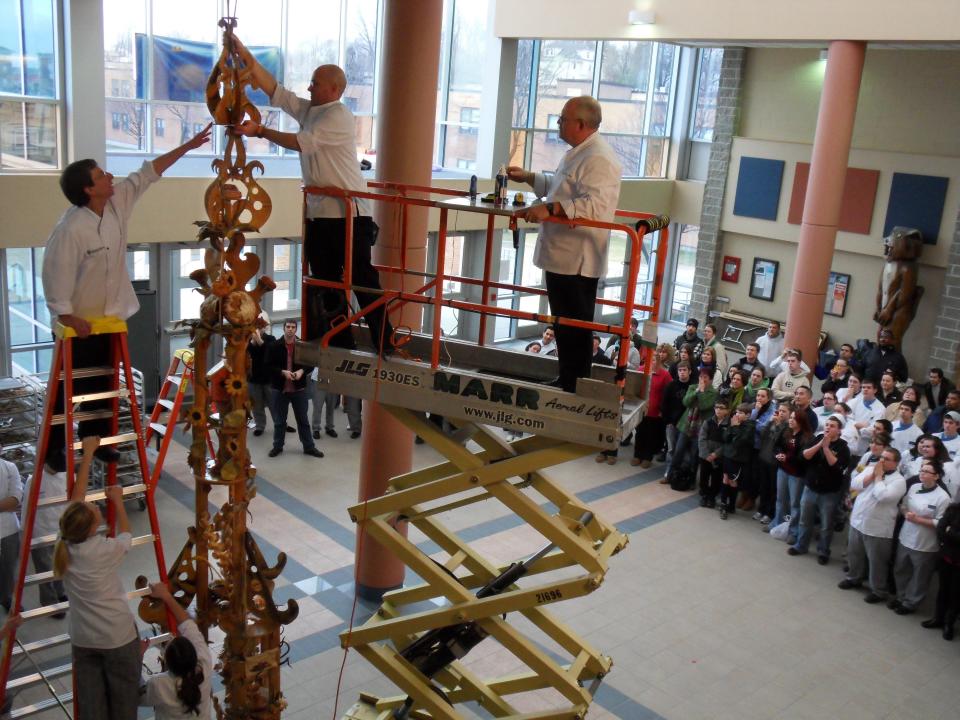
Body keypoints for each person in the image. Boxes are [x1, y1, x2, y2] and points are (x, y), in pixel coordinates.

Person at [42, 124, 212, 464]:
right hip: (78, 322)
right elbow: (54, 272)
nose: (110, 176)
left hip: (110, 318)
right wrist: (66, 315)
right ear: (89, 189)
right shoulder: (71, 229)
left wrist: (189, 145)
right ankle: (56, 450)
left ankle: (100, 442)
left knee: (103, 386)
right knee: (68, 388)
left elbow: (149, 172)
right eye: (101, 175)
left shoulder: (116, 203)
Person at [231, 39, 393, 354]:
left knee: (362, 278)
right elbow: (278, 93)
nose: (308, 87)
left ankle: (384, 340)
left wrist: (260, 132)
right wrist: (245, 55)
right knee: (325, 280)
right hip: (321, 213)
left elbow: (302, 142)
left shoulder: (338, 116)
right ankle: (339, 341)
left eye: (315, 83)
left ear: (333, 89)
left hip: (350, 214)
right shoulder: (313, 111)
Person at [507, 96, 622, 393]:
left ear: (581, 124)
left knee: (575, 327)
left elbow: (595, 206)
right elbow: (563, 187)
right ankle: (567, 377)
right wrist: (531, 178)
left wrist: (551, 209)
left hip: (577, 260)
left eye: (562, 119)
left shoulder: (599, 158)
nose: (558, 123)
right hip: (562, 257)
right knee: (563, 324)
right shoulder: (579, 152)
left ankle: (574, 384)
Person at [54, 436, 140, 720]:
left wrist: (88, 454)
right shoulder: (103, 550)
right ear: (93, 528)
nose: (97, 507)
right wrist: (119, 501)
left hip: (83, 639)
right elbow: (127, 536)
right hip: (117, 636)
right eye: (96, 511)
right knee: (124, 705)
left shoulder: (64, 544)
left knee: (91, 710)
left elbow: (76, 499)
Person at [838, 447, 906, 603]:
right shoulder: (870, 468)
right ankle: (853, 578)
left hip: (878, 529)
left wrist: (878, 477)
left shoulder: (899, 481)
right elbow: (855, 483)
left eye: (887, 459)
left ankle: (878, 590)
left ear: (896, 463)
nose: (882, 461)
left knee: (877, 561)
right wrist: (872, 475)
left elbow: (883, 496)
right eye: (882, 457)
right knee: (854, 554)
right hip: (858, 520)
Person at [139, 582, 212, 719]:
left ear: (166, 661)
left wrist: (138, 658)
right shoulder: (205, 664)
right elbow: (189, 626)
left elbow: (137, 697)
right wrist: (166, 596)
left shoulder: (159, 684)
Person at [788, 415, 851, 564]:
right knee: (805, 520)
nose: (828, 427)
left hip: (829, 493)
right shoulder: (817, 439)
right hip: (810, 488)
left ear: (839, 430)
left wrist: (826, 448)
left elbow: (836, 466)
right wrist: (820, 445)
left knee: (826, 524)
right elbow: (804, 456)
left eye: (832, 426)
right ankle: (801, 545)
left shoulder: (843, 448)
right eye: (827, 424)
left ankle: (823, 551)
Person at [892, 460, 952, 616]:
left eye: (927, 471)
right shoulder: (913, 487)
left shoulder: (943, 497)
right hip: (906, 537)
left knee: (920, 576)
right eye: (921, 470)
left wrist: (919, 520)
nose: (922, 474)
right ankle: (901, 596)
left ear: (937, 476)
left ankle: (911, 602)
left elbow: (941, 522)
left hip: (925, 543)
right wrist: (906, 514)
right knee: (901, 569)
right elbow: (903, 506)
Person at [266, 319, 323, 458]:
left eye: (293, 327)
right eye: (288, 327)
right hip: (280, 390)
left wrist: (302, 372)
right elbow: (267, 366)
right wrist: (282, 372)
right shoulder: (274, 346)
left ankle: (309, 447)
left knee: (303, 420)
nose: (290, 329)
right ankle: (277, 446)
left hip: (299, 390)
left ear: (296, 329)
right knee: (280, 421)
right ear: (284, 328)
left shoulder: (303, 346)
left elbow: (311, 363)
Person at [21, 450, 68, 614]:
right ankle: (50, 603)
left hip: (61, 531)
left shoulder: (66, 476)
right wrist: (26, 535)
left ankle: (61, 593)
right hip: (39, 533)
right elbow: (26, 509)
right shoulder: (34, 480)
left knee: (61, 566)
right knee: (46, 571)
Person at [772, 407, 813, 540]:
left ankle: (793, 531)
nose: (791, 420)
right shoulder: (786, 431)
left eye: (794, 419)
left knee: (795, 503)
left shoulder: (807, 437)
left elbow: (803, 457)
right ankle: (777, 524)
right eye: (791, 418)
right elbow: (776, 445)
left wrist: (788, 458)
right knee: (780, 499)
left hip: (796, 474)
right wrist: (778, 454)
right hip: (783, 470)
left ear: (801, 421)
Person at [923, 501, 960, 640]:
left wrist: (950, 532)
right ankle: (938, 618)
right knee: (943, 590)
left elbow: (948, 531)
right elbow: (941, 528)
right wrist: (950, 533)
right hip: (946, 558)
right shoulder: (954, 508)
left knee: (956, 595)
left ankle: (949, 624)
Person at [631, 344, 671, 468]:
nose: (651, 362)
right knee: (639, 433)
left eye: (653, 360)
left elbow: (668, 394)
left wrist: (662, 410)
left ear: (658, 361)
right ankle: (637, 455)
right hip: (641, 409)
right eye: (649, 359)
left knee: (651, 435)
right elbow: (634, 389)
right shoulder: (640, 370)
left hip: (655, 411)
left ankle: (647, 457)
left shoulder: (664, 375)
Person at [719, 403, 756, 520]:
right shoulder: (734, 423)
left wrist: (734, 427)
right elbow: (725, 438)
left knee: (733, 481)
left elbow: (740, 442)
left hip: (738, 458)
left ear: (748, 415)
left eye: (740, 413)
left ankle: (731, 505)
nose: (737, 414)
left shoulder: (750, 426)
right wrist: (732, 427)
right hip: (728, 455)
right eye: (737, 412)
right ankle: (723, 503)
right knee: (725, 478)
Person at [661, 361, 693, 482]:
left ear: (689, 371)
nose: (682, 373)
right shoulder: (671, 385)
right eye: (680, 370)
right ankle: (668, 474)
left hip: (686, 425)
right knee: (671, 449)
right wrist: (667, 421)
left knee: (685, 451)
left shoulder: (692, 387)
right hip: (672, 423)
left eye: (684, 370)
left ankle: (682, 475)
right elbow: (664, 404)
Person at [0, 448, 23, 613]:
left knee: (9, 569)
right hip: (7, 520)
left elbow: (15, 500)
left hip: (9, 530)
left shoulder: (9, 467)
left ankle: (7, 599)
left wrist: (8, 503)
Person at [247, 313, 277, 437]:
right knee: (256, 405)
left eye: (261, 327)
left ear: (265, 328)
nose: (259, 330)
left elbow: (269, 353)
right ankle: (260, 425)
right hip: (253, 379)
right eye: (256, 328)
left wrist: (259, 341)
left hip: (268, 378)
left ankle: (280, 423)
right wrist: (253, 342)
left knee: (274, 404)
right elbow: (247, 354)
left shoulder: (271, 339)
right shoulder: (248, 341)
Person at [697, 400, 729, 508]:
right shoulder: (708, 422)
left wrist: (716, 454)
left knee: (716, 478)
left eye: (721, 408)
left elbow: (728, 443)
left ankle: (712, 497)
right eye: (716, 407)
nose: (718, 410)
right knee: (704, 476)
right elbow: (702, 438)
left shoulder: (729, 425)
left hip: (719, 457)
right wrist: (706, 455)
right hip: (705, 456)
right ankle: (704, 495)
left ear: (727, 411)